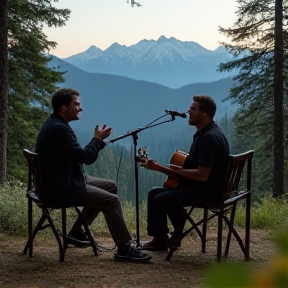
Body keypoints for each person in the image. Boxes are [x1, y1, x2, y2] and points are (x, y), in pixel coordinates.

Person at [35, 88, 152, 263]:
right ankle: (124, 248)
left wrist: (98, 141)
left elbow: (80, 156)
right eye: (76, 104)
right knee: (111, 200)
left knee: (110, 186)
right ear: (64, 107)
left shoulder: (54, 124)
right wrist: (97, 140)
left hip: (60, 181)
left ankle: (76, 231)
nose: (80, 108)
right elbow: (84, 157)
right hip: (62, 188)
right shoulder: (60, 129)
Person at [141, 95, 230, 251]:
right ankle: (164, 237)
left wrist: (161, 168)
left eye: (193, 109)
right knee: (154, 193)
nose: (188, 111)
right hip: (208, 187)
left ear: (205, 114)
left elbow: (202, 175)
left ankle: (170, 236)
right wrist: (175, 168)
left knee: (162, 199)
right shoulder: (208, 132)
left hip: (209, 191)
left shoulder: (208, 139)